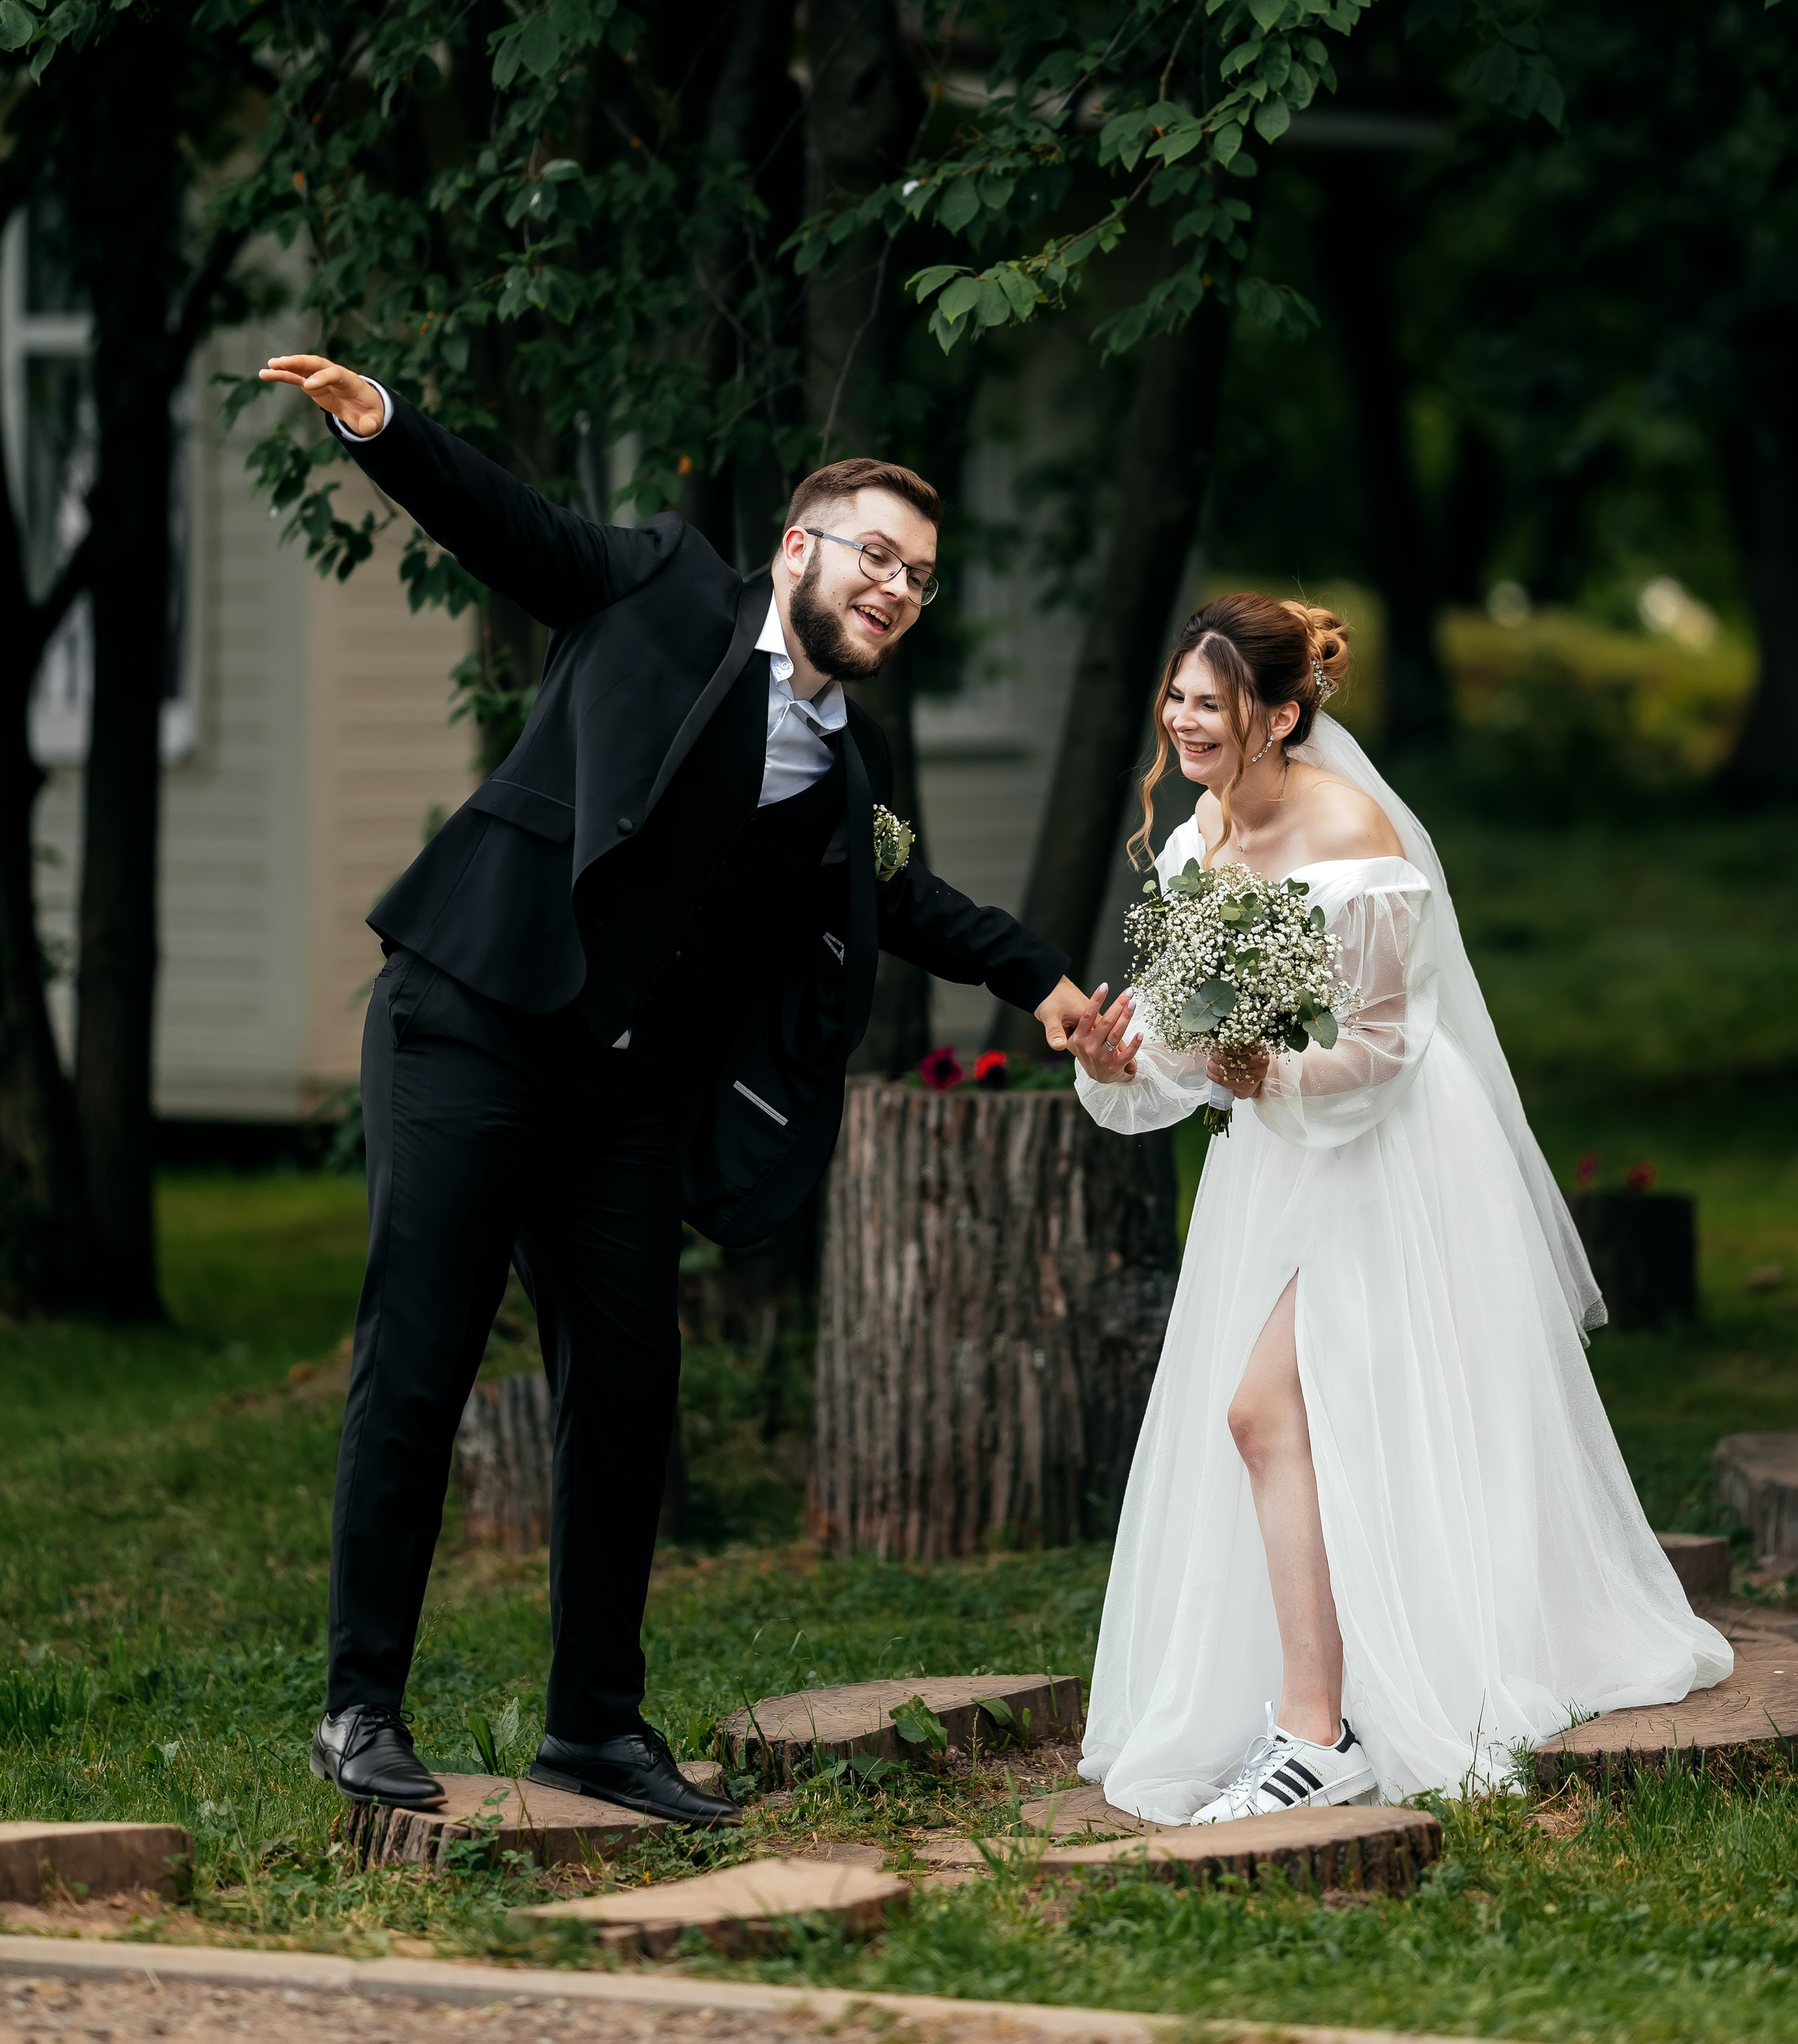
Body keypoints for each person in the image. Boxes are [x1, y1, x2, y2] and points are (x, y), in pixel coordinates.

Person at [258, 353, 1089, 1821]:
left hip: (621, 1092)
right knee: (423, 1352)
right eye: (876, 556)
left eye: (920, 576)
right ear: (799, 549)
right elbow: (510, 527)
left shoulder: (850, 761)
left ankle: (592, 1727)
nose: (896, 587)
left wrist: (1044, 982)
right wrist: (384, 426)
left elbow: (902, 898)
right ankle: (358, 1707)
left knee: (632, 1388)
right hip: (474, 1014)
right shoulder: (659, 588)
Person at [1068, 591, 1731, 1821]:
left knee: (1266, 1411)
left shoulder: (1352, 832)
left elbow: (1380, 1047)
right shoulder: (1193, 839)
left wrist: (1269, 1071)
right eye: (1177, 698)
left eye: (1210, 704)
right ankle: (1322, 1701)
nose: (1183, 720)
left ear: (1279, 715)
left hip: (1393, 1155)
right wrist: (1125, 1059)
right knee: (1298, 1425)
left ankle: (1316, 1734)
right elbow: (1181, 1037)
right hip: (1277, 1166)